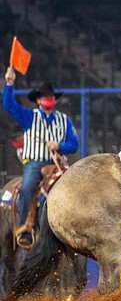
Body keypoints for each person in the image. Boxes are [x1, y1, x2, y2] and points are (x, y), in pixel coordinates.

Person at [3, 69, 78, 247]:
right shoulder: (29, 116)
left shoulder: (64, 120)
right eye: (44, 96)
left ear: (55, 99)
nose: (48, 99)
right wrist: (9, 84)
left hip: (56, 163)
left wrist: (59, 146)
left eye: (50, 96)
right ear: (38, 100)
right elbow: (9, 106)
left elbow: (74, 144)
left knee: (75, 187)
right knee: (28, 187)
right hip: (34, 163)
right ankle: (24, 228)